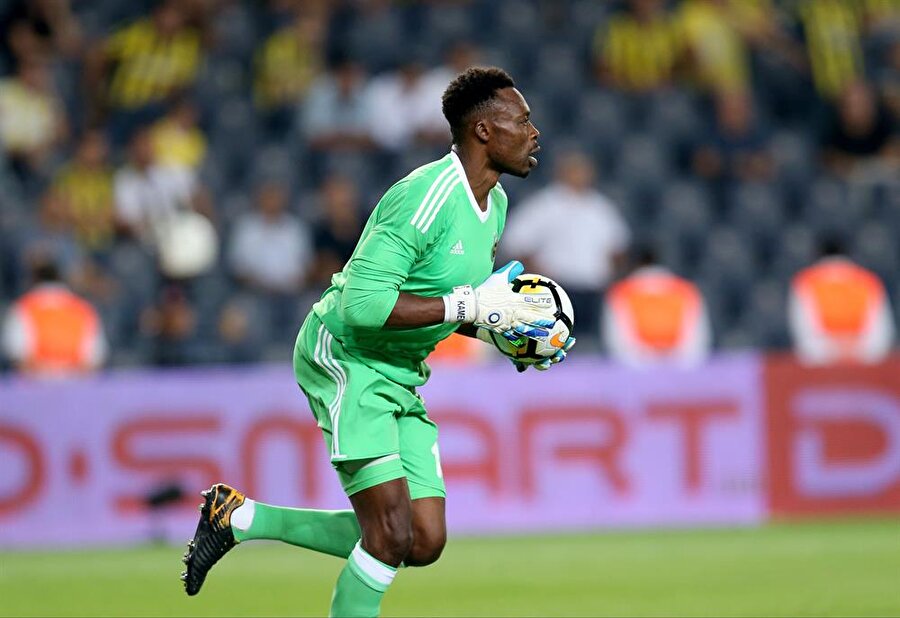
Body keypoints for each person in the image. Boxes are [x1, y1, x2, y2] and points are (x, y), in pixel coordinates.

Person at [181, 67, 575, 617]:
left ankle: (239, 518)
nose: (535, 133)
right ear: (484, 130)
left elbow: (439, 301)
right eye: (523, 120)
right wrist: (472, 307)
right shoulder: (424, 197)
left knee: (423, 539)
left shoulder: (497, 205)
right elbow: (362, 308)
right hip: (346, 355)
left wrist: (500, 327)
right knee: (389, 534)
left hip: (399, 369)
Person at [502, 148, 631, 343]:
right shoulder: (544, 205)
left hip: (594, 290)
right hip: (559, 290)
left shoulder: (600, 207)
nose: (580, 175)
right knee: (557, 343)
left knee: (595, 346)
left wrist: (612, 275)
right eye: (574, 170)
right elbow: (516, 241)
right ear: (561, 172)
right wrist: (539, 274)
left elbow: (618, 246)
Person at [788, 238, 895, 365]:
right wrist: (853, 348)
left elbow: (804, 336)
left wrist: (834, 349)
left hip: (825, 362)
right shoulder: (868, 281)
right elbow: (881, 335)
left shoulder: (804, 282)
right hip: (859, 360)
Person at [603, 247, 712, 368]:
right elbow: (696, 337)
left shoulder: (620, 292)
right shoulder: (686, 290)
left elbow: (617, 338)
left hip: (641, 365)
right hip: (674, 364)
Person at [2, 256, 107, 376]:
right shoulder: (83, 310)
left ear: (33, 279)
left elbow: (17, 355)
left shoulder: (22, 308)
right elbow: (94, 358)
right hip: (76, 382)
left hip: (34, 383)